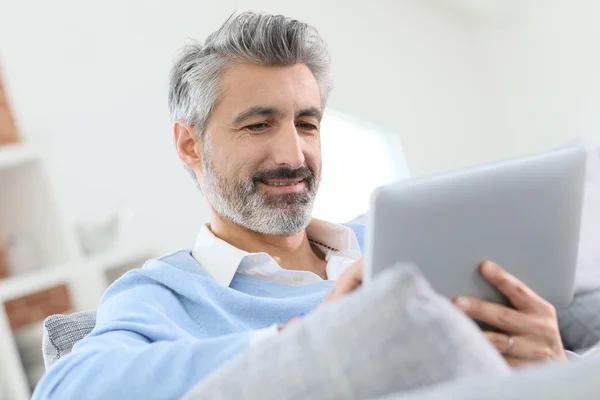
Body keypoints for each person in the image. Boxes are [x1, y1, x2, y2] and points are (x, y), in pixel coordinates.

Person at [32, 11, 596, 400]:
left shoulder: (397, 239)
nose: (293, 153)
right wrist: (308, 342)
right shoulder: (165, 294)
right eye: (258, 125)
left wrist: (553, 366)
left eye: (307, 123)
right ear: (189, 145)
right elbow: (69, 390)